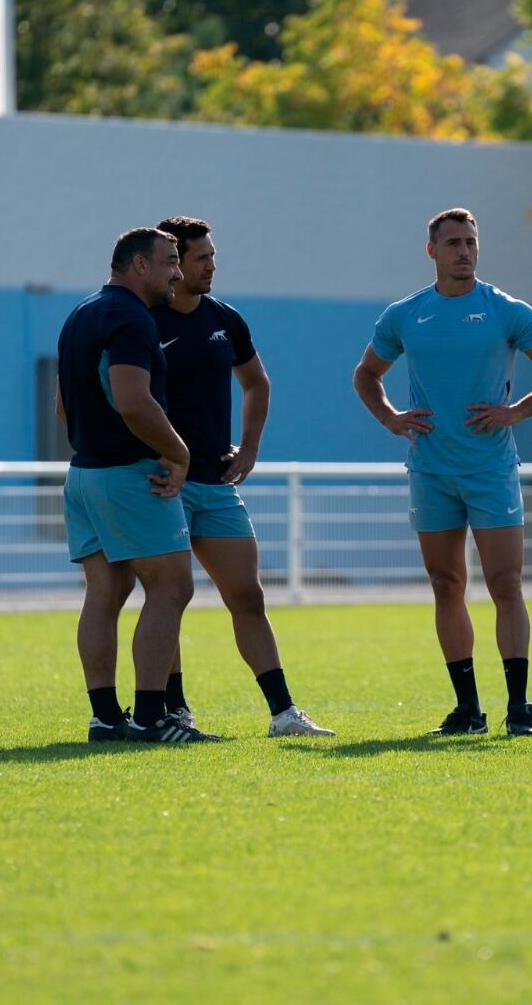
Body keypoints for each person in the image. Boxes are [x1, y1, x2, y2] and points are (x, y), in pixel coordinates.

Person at [353, 208, 532, 737]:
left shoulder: (506, 311)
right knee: (446, 583)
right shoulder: (405, 315)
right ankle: (467, 709)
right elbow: (366, 374)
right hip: (431, 470)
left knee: (505, 582)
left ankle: (520, 709)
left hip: (491, 469)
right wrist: (390, 417)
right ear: (431, 250)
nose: (465, 251)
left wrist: (517, 412)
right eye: (454, 242)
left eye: (472, 242)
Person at [149, 216, 334, 736]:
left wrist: (249, 448)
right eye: (202, 256)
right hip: (161, 482)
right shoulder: (144, 320)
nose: (212, 264)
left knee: (248, 596)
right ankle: (174, 710)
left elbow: (257, 384)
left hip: (214, 482)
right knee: (169, 598)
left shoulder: (225, 319)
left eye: (213, 254)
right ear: (173, 262)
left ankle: (283, 713)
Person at [55, 227, 217, 744]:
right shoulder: (130, 316)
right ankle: (151, 720)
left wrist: (97, 450)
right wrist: (178, 452)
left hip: (83, 474)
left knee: (107, 592)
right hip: (129, 475)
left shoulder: (81, 314)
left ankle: (106, 719)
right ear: (138, 266)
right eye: (170, 261)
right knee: (171, 587)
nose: (178, 272)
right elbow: (132, 399)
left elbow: (63, 407)